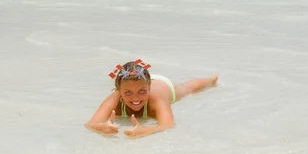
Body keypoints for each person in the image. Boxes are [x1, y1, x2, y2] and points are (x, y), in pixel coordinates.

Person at [85, 59, 218, 138]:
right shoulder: (115, 99)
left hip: (164, 87)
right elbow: (90, 123)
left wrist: (145, 130)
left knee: (187, 88)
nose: (135, 97)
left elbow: (168, 124)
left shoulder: (157, 99)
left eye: (142, 91)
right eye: (128, 93)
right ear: (119, 91)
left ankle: (211, 80)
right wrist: (102, 128)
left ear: (149, 87)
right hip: (140, 80)